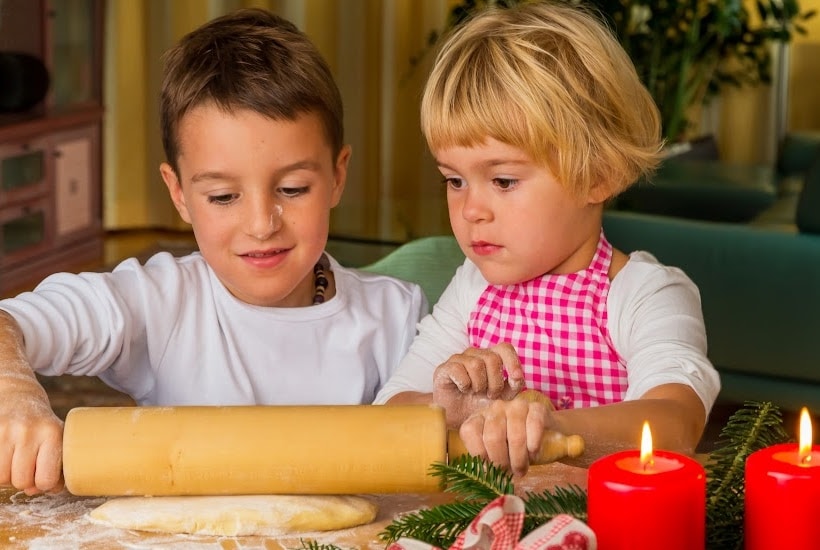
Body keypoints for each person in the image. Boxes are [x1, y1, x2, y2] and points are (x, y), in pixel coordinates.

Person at [0, 8, 427, 496]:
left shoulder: (398, 317)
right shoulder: (157, 303)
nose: (262, 224)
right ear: (179, 193)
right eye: (223, 197)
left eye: (292, 188)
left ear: (337, 175)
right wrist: (12, 391)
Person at [375, 1, 720, 476]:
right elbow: (388, 410)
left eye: (504, 181)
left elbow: (676, 422)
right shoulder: (472, 288)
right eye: (455, 181)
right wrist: (444, 408)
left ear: (598, 176)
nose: (470, 210)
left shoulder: (643, 293)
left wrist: (549, 426)